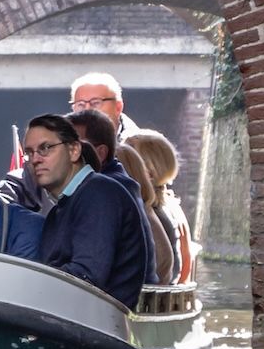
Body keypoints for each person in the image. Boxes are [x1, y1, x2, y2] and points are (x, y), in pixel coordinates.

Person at [25, 112, 147, 308]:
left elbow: (86, 278)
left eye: (45, 148)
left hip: (95, 321)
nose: (35, 159)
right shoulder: (60, 210)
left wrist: (23, 286)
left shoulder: (99, 193)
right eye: (29, 153)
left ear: (74, 150)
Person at [69, 109, 156, 283]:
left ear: (101, 153)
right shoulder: (114, 182)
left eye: (73, 148)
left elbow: (87, 272)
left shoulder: (104, 193)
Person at [125, 130, 193, 283]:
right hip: (170, 289)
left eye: (125, 160)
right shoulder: (172, 206)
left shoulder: (144, 210)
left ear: (148, 173)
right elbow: (187, 261)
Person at [70, 70, 143, 137]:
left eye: (95, 103)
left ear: (118, 107)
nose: (87, 110)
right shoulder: (67, 142)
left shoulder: (139, 144)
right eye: (81, 104)